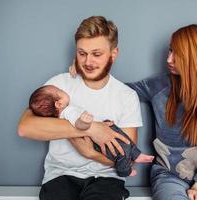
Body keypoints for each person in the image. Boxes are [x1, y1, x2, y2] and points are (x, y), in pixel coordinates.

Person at [18, 16, 143, 200]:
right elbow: (25, 127)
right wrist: (92, 129)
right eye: (82, 53)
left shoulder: (127, 96)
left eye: (96, 54)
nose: (88, 62)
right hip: (60, 176)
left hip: (106, 180)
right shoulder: (58, 86)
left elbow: (128, 157)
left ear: (113, 54)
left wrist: (89, 153)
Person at [127, 24, 197, 200]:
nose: (169, 59)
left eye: (178, 54)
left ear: (195, 57)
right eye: (170, 50)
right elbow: (118, 91)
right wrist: (85, 76)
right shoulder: (160, 85)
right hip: (168, 175)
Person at [28, 85, 154, 177]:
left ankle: (136, 155)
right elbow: (78, 125)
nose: (63, 90)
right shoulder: (68, 111)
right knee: (121, 149)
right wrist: (85, 122)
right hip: (95, 140)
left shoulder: (61, 116)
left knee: (123, 142)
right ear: (58, 104)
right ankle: (125, 170)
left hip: (101, 128)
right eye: (60, 91)